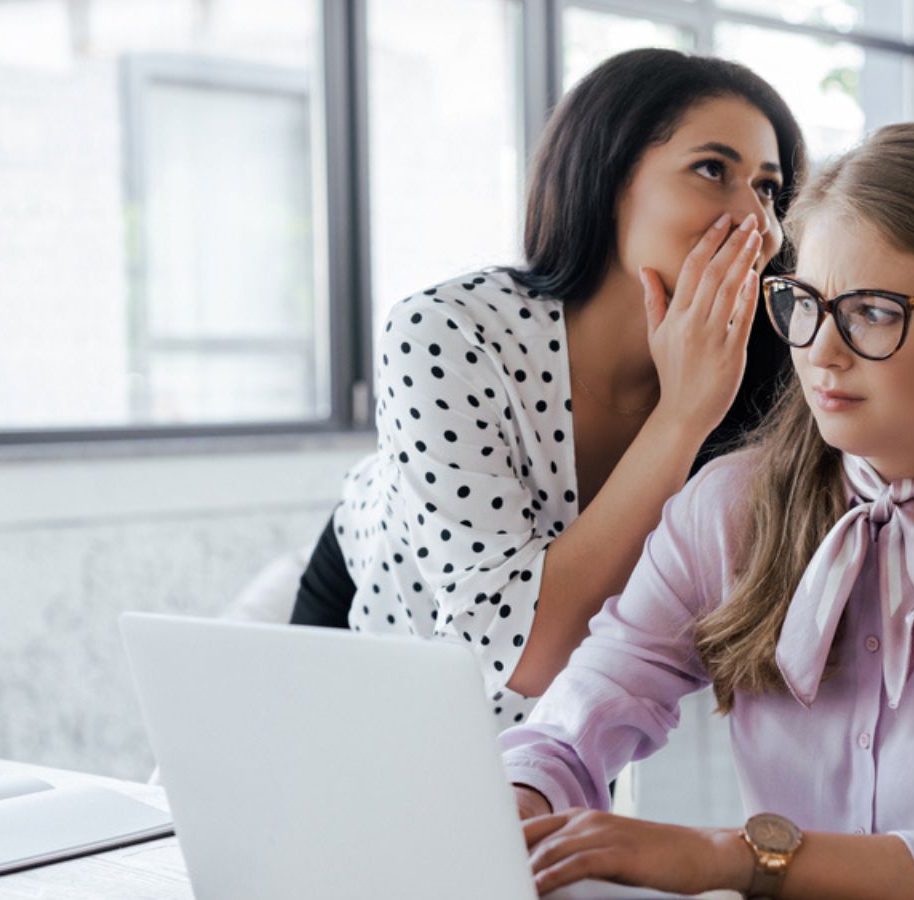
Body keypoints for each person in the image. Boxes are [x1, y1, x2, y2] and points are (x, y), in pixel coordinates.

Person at [501, 122, 914, 900]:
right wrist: (514, 810)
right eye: (806, 303)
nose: (822, 351)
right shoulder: (728, 507)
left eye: (873, 311)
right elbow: (574, 723)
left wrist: (737, 857)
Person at [289, 48, 807, 728]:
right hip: (383, 622)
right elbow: (517, 650)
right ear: (611, 180)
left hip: (558, 709)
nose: (756, 221)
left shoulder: (767, 364)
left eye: (768, 188)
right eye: (713, 170)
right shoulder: (447, 332)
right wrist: (683, 416)